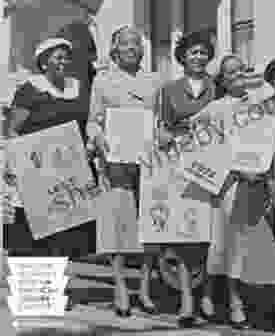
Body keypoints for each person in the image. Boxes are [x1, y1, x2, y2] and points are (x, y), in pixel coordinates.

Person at [195, 54, 275, 329]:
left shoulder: (261, 104)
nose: (237, 76)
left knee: (264, 246)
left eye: (241, 71)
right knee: (231, 244)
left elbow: (272, 135)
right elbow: (198, 142)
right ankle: (235, 303)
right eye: (231, 73)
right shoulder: (215, 109)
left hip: (261, 182)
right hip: (231, 183)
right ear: (221, 80)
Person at [85, 25, 162, 318]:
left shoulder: (154, 80)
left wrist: (160, 135)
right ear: (115, 49)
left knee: (151, 225)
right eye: (126, 44)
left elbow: (159, 120)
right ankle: (119, 286)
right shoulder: (103, 81)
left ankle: (144, 287)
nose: (132, 48)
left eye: (137, 43)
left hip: (149, 163)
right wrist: (99, 138)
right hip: (115, 164)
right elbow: (93, 121)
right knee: (117, 225)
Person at [4, 38, 96, 259]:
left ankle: (56, 286)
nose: (64, 62)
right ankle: (31, 287)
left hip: (69, 169)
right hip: (36, 169)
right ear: (44, 62)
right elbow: (13, 130)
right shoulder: (30, 89)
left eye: (67, 57)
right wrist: (12, 163)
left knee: (65, 235)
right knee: (33, 234)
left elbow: (88, 123)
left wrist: (89, 146)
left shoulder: (78, 87)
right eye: (58, 57)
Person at [151, 30, 217, 327]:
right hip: (178, 166)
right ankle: (187, 299)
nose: (199, 58)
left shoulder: (218, 88)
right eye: (193, 53)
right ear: (183, 58)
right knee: (184, 233)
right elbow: (161, 128)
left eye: (204, 52)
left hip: (212, 164)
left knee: (210, 234)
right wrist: (169, 138)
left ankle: (208, 294)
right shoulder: (169, 89)